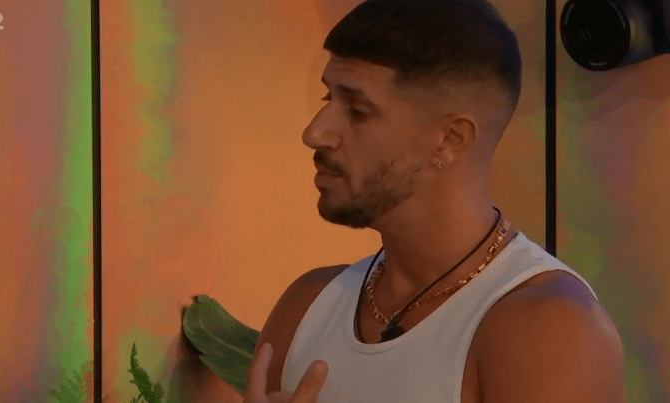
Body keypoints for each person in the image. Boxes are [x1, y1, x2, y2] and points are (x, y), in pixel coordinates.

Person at [243, 0, 625, 402]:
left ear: (450, 139)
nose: (315, 132)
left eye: (356, 110)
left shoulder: (549, 329)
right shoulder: (306, 306)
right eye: (327, 100)